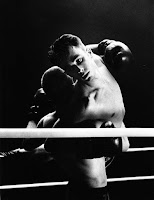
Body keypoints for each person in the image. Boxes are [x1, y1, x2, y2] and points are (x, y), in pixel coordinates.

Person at [38, 34, 131, 200]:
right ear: (66, 72)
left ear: (88, 53)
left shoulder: (98, 60)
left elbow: (85, 49)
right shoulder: (83, 106)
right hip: (90, 179)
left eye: (79, 61)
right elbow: (51, 143)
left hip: (113, 145)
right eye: (71, 68)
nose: (79, 70)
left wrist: (105, 45)